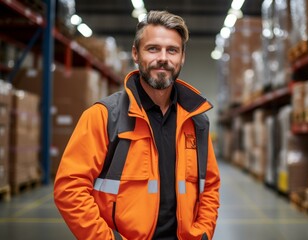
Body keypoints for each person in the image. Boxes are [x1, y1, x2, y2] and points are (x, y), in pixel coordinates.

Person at [54, 10, 220, 240]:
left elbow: (209, 186)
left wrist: (202, 233)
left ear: (182, 57)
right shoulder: (104, 116)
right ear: (135, 53)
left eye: (172, 50)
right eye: (153, 49)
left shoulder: (196, 121)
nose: (163, 58)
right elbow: (69, 189)